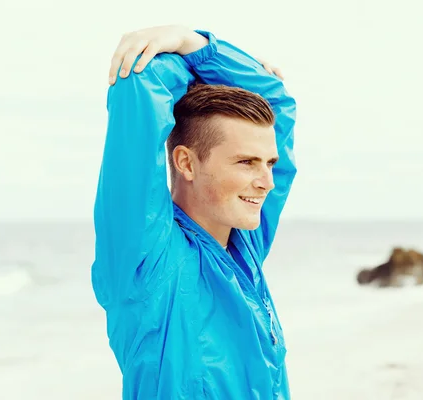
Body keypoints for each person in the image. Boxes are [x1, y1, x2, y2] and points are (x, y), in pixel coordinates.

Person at [91, 25, 297, 399]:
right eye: (246, 162)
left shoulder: (244, 244)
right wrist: (188, 48)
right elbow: (140, 82)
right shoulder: (146, 262)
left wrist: (203, 51)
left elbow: (276, 101)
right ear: (185, 162)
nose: (267, 181)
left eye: (269, 162)